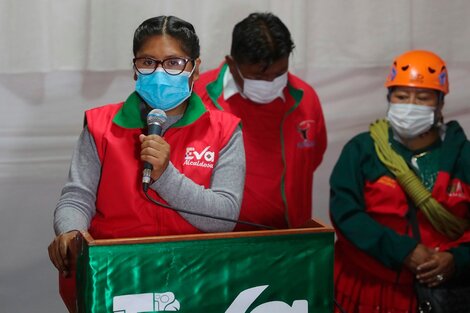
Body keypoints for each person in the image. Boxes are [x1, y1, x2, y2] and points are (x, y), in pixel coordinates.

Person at [47, 15, 245, 311]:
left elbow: (225, 219)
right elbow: (77, 198)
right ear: (135, 68)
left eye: (174, 62)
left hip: (197, 280)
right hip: (117, 277)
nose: (160, 72)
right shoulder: (102, 125)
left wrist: (166, 176)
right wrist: (72, 233)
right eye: (148, 62)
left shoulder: (223, 130)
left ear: (195, 68)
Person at [330, 50, 470, 312]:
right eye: (402, 96)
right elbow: (346, 215)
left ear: (440, 104)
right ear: (389, 98)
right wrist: (403, 250)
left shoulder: (463, 157)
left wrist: (457, 260)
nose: (411, 105)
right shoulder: (362, 151)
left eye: (423, 97)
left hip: (444, 294)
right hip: (367, 289)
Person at [194, 12, 326, 231]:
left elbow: (314, 157)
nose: (271, 83)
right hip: (217, 244)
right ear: (231, 64)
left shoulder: (305, 99)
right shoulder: (198, 98)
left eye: (280, 73)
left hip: (288, 243)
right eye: (257, 77)